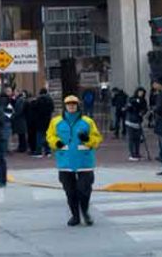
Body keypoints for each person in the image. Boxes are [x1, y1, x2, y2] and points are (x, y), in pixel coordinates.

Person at [47, 94, 103, 227]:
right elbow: (50, 136)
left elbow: (97, 139)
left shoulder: (87, 121)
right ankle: (75, 216)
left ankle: (85, 212)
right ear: (65, 106)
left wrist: (87, 139)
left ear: (78, 106)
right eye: (69, 104)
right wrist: (56, 143)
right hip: (65, 162)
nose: (71, 107)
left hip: (84, 162)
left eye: (74, 104)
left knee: (84, 190)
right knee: (70, 191)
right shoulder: (56, 121)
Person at [124, 87, 148, 161]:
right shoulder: (132, 99)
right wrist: (131, 105)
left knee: (137, 138)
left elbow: (145, 108)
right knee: (131, 138)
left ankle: (137, 153)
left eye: (142, 92)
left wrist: (142, 112)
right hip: (130, 121)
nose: (141, 94)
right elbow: (128, 108)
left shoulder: (143, 100)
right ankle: (132, 154)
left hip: (138, 121)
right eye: (139, 92)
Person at [32, 88, 54, 157]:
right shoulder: (50, 100)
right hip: (47, 120)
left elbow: (34, 109)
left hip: (40, 120)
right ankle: (48, 151)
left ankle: (39, 151)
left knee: (39, 136)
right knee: (47, 136)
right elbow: (52, 108)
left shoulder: (38, 100)